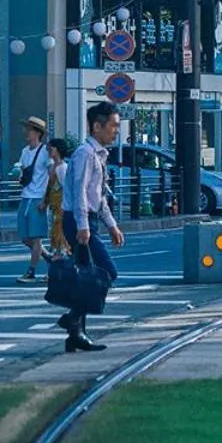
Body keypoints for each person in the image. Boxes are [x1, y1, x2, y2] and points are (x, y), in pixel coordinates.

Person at [60, 102, 124, 353]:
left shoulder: (98, 154)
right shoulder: (85, 154)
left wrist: (112, 225)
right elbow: (79, 193)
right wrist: (83, 225)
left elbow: (98, 195)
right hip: (78, 219)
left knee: (85, 276)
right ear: (97, 126)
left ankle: (76, 334)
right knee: (107, 272)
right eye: (113, 126)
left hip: (87, 219)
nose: (116, 131)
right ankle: (73, 318)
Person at [14, 116, 54, 283]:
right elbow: (22, 170)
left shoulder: (45, 151)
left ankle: (31, 271)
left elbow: (52, 174)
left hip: (38, 197)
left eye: (30, 129)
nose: (26, 132)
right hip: (26, 196)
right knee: (25, 237)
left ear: (38, 133)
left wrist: (46, 199)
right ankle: (49, 257)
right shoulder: (25, 151)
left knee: (36, 237)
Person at [44, 140, 71, 258]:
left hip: (61, 207)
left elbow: (67, 189)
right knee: (55, 234)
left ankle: (61, 263)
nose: (49, 150)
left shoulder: (62, 168)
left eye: (52, 148)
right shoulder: (52, 167)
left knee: (60, 234)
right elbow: (49, 188)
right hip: (54, 207)